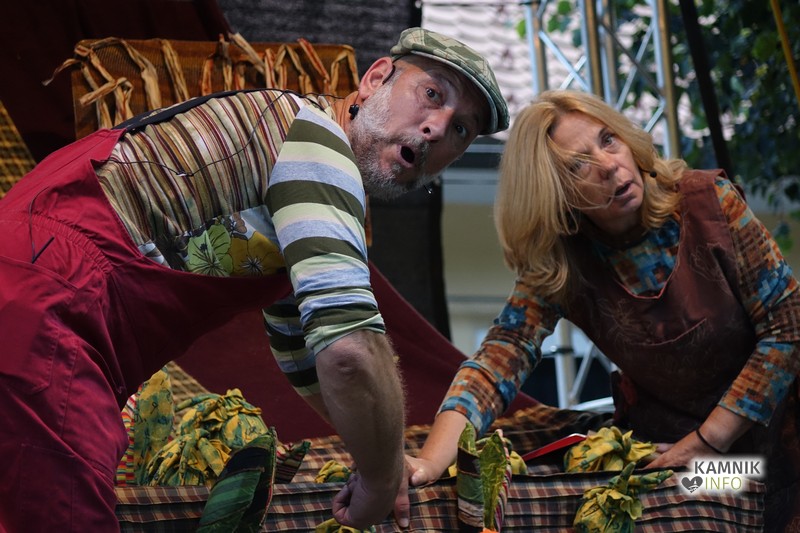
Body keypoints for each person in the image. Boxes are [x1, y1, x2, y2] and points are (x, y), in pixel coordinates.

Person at [0, 27, 509, 532]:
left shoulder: (290, 172)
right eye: (431, 94)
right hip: (47, 310)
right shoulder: (317, 145)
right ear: (375, 79)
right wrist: (381, 479)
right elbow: (349, 351)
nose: (436, 128)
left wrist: (383, 455)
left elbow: (307, 355)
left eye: (461, 129)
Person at [402, 89, 800, 530]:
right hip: (676, 458)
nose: (609, 166)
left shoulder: (709, 202)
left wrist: (708, 440)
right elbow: (497, 362)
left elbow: (788, 326)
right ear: (555, 193)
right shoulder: (561, 261)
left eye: (609, 140)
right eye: (578, 165)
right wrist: (429, 462)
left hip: (776, 447)